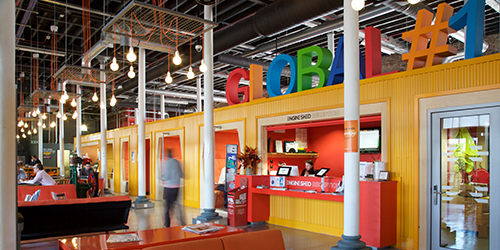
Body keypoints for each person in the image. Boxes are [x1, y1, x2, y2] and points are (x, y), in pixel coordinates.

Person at [162, 149, 184, 227]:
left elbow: (167, 176)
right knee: (178, 205)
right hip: (177, 187)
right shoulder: (177, 162)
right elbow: (182, 175)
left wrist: (162, 177)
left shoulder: (167, 163)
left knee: (168, 207)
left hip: (169, 187)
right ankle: (182, 221)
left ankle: (167, 224)